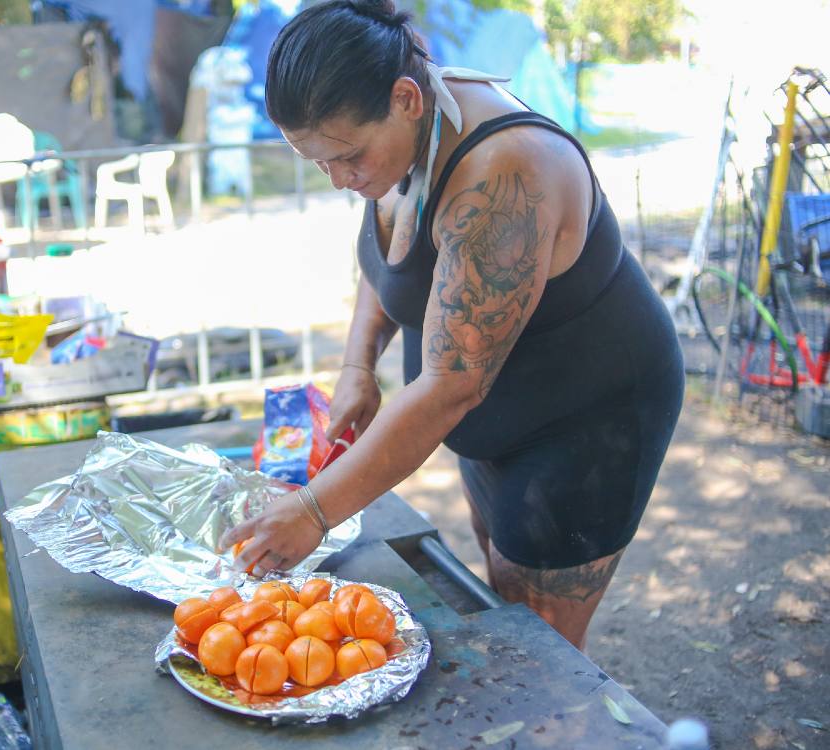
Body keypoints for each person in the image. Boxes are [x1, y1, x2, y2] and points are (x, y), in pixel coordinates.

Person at [220, 0, 684, 650]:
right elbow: (387, 266)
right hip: (501, 413)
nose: (337, 182)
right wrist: (359, 364)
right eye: (317, 164)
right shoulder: (400, 136)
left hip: (589, 420)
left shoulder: (504, 174)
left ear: (406, 98)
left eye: (347, 158)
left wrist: (315, 510)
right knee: (500, 584)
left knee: (538, 650)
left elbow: (451, 386)